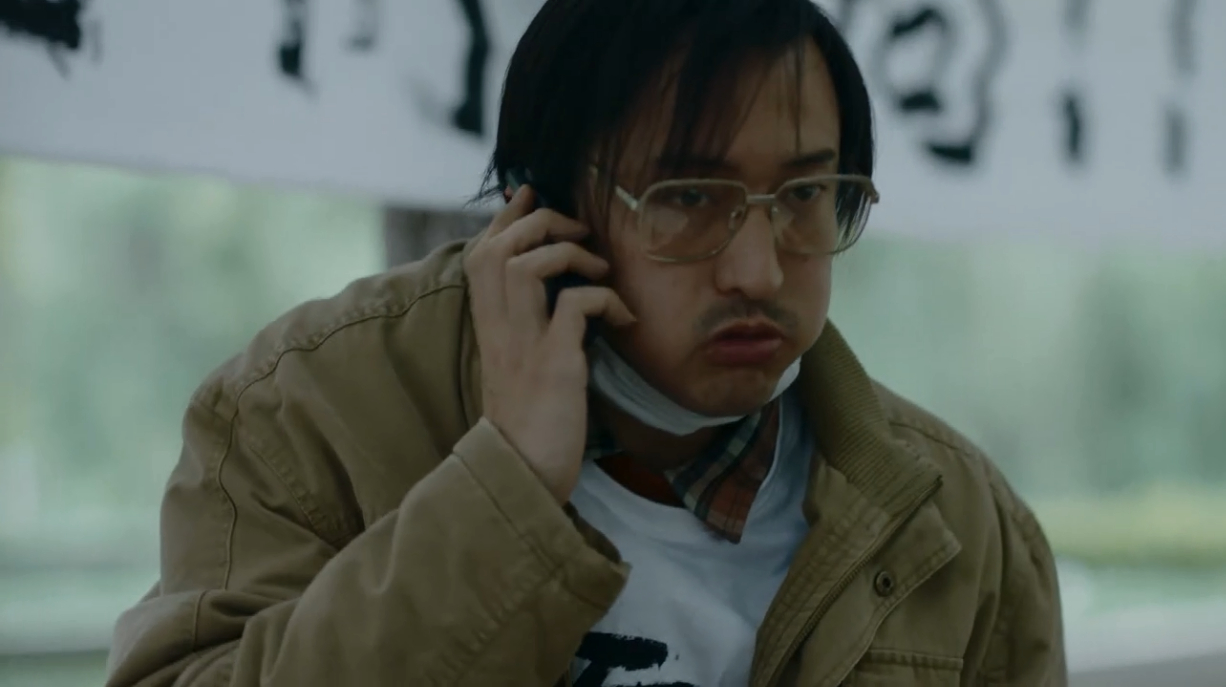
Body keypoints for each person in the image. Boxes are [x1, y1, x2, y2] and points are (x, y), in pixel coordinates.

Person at [106, 1, 1066, 685]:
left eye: (806, 194)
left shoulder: (958, 522)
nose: (759, 271)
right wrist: (507, 489)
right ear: (548, 206)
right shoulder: (307, 412)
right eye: (688, 197)